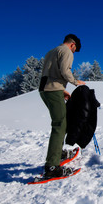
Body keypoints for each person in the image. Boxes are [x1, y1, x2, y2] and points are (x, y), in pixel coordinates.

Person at [39, 34, 86, 178]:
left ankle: (58, 154)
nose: (73, 53)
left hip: (46, 90)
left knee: (61, 123)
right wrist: (76, 82)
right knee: (60, 125)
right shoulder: (66, 51)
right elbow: (65, 71)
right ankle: (52, 167)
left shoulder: (51, 51)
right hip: (53, 90)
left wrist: (62, 90)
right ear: (73, 45)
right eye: (74, 50)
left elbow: (49, 73)